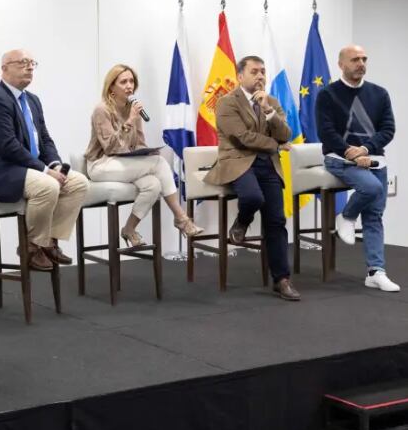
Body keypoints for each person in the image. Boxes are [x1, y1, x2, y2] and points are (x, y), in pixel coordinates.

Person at [0, 49, 88, 271]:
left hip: (25, 168)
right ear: (4, 69)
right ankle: (32, 246)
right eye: (22, 63)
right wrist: (46, 171)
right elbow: (7, 146)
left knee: (78, 183)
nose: (29, 67)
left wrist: (54, 163)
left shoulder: (33, 101)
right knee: (48, 186)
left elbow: (44, 139)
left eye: (32, 63)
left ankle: (49, 241)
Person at [203, 55, 300, 301]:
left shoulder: (271, 102)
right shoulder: (226, 103)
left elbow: (286, 132)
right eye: (254, 72)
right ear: (240, 76)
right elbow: (242, 137)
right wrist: (276, 146)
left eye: (263, 72)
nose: (260, 77)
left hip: (267, 165)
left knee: (276, 221)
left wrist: (269, 112)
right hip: (238, 161)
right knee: (253, 197)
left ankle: (282, 279)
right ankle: (242, 221)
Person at [84, 64, 203, 246]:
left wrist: (145, 152)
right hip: (102, 165)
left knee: (153, 185)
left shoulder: (133, 109)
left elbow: (138, 142)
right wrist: (130, 120)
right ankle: (181, 218)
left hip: (125, 163)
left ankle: (129, 229)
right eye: (123, 82)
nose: (129, 86)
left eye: (131, 81)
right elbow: (110, 147)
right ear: (111, 87)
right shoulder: (102, 110)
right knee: (160, 163)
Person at [317, 44, 398, 292]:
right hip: (338, 158)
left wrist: (365, 149)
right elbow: (326, 132)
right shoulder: (327, 94)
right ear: (341, 64)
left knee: (374, 215)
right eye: (354, 59)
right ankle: (348, 216)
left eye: (364, 59)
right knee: (371, 188)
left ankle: (375, 272)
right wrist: (350, 153)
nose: (361, 63)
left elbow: (388, 129)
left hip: (373, 158)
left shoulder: (379, 94)